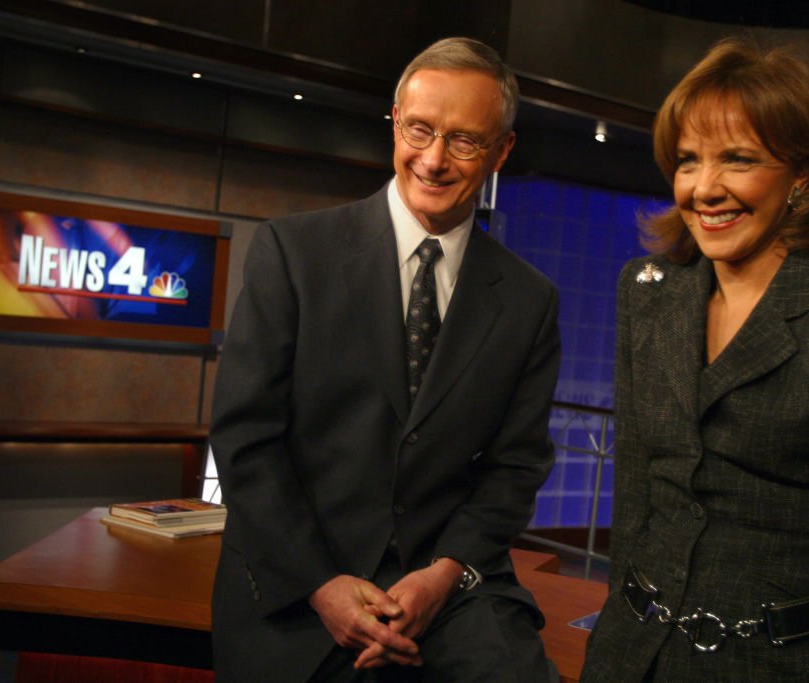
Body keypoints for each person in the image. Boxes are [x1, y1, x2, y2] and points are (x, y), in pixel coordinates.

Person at [581, 38, 809, 682]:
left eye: (738, 159)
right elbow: (636, 497)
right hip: (637, 656)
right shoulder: (647, 290)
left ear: (800, 175)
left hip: (789, 665)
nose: (705, 188)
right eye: (688, 161)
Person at [208, 37, 560, 683]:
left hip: (449, 592)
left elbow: (515, 468)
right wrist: (321, 585)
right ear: (395, 119)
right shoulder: (292, 253)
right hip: (296, 586)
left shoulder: (530, 301)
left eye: (463, 140)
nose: (432, 159)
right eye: (420, 129)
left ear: (502, 150)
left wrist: (445, 574)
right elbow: (246, 440)